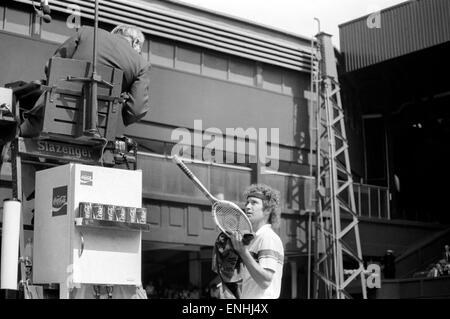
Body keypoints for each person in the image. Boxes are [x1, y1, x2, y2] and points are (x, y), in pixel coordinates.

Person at [19, 24, 151, 137]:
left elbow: (51, 67)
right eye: (141, 49)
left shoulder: (86, 32)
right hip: (96, 131)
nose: (139, 53)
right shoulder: (141, 64)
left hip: (49, 118)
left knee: (16, 131)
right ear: (136, 42)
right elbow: (135, 112)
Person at [229, 184, 284, 299]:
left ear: (268, 210)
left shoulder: (268, 237)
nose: (248, 206)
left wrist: (243, 253)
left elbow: (265, 281)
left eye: (254, 202)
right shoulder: (255, 239)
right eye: (247, 202)